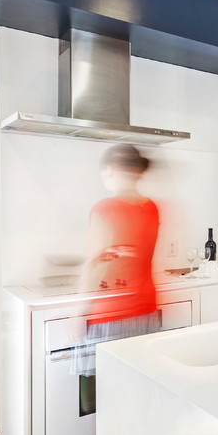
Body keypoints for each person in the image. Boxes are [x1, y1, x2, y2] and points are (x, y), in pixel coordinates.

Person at [74, 144, 161, 414]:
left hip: (109, 315)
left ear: (111, 170)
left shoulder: (104, 208)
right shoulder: (152, 208)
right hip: (146, 310)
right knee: (138, 386)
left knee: (103, 395)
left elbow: (97, 264)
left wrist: (78, 312)